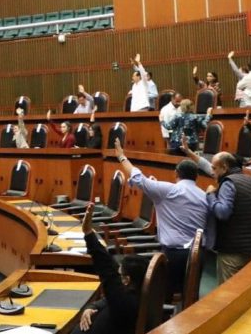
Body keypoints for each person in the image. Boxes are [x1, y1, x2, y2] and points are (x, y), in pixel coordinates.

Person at [113, 140, 206, 297]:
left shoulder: (167, 191)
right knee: (190, 293)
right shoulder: (204, 196)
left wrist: (122, 157)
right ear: (196, 177)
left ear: (176, 174)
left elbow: (138, 178)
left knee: (160, 294)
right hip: (198, 255)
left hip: (173, 256)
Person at [73, 201, 146, 334]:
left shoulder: (125, 303)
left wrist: (88, 232)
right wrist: (92, 306)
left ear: (126, 280)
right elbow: (107, 296)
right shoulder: (130, 296)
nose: (117, 274)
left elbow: (107, 269)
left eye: (120, 273)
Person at [206, 152, 251, 284]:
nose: (212, 172)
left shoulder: (228, 183)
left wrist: (210, 195)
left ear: (225, 167)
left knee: (229, 295)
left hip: (233, 253)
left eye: (214, 168)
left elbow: (222, 212)